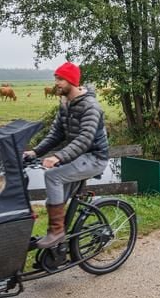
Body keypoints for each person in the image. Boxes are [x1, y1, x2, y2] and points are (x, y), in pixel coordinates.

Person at [23, 61, 108, 248]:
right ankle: (58, 243)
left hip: (94, 157)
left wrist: (58, 157)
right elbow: (56, 134)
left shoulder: (90, 107)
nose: (56, 82)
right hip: (77, 157)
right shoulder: (65, 103)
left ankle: (56, 232)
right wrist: (35, 151)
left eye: (60, 78)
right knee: (55, 197)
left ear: (71, 81)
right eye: (55, 78)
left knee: (52, 177)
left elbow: (85, 139)